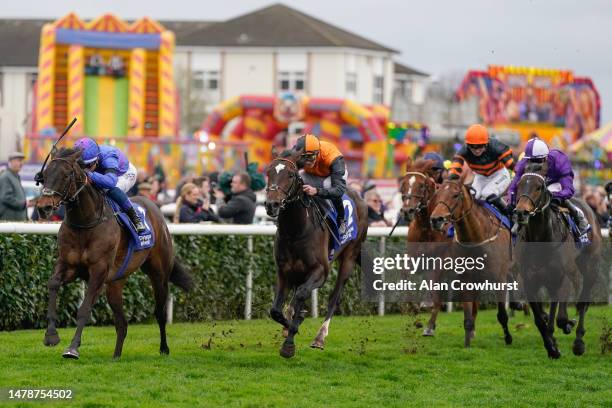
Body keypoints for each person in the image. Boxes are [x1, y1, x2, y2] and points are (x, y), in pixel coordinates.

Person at [508, 137, 590, 235]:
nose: (533, 165)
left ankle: (577, 215)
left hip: (554, 184)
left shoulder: (559, 160)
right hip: (535, 186)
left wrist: (554, 195)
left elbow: (568, 189)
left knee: (548, 194)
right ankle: (519, 221)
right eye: (531, 160)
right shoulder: (525, 163)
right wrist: (512, 202)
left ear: (545, 158)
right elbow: (513, 187)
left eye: (537, 161)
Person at [74, 137, 146, 233]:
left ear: (96, 160)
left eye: (88, 166)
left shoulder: (109, 157)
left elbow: (111, 182)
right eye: (82, 166)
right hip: (104, 173)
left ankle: (135, 218)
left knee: (109, 189)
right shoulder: (88, 157)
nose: (85, 168)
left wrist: (89, 174)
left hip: (124, 174)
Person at [449, 124, 514, 214]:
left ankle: (509, 213)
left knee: (487, 193)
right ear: (468, 145)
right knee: (471, 196)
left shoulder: (495, 146)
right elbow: (455, 168)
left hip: (499, 174)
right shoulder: (463, 151)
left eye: (480, 146)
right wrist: (451, 180)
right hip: (481, 176)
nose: (476, 150)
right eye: (472, 146)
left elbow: (512, 165)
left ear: (486, 144)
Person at [292, 133, 348, 232]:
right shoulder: (295, 153)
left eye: (310, 157)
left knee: (328, 185)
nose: (307, 162)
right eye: (304, 157)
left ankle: (341, 219)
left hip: (331, 175)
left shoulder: (332, 156)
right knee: (295, 180)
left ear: (318, 153)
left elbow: (339, 190)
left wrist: (317, 191)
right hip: (311, 173)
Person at [0, 152, 29, 221]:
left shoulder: (15, 176)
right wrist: (23, 204)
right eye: (19, 160)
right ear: (11, 162)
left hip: (16, 220)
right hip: (9, 220)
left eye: (22, 161)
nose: (21, 163)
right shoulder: (6, 176)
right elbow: (6, 197)